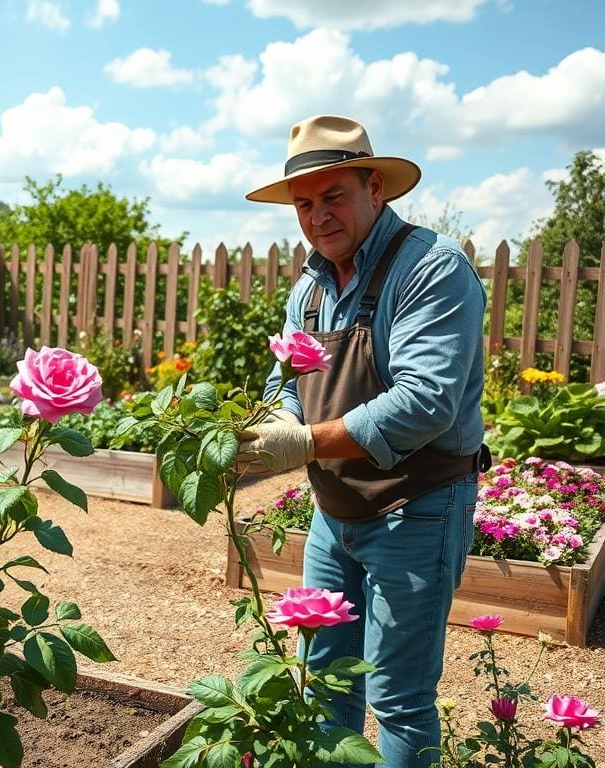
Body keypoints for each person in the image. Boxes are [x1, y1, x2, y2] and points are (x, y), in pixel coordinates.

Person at [238, 114, 489, 768]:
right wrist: (276, 424)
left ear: (375, 187)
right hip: (333, 514)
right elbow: (285, 377)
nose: (317, 216)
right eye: (303, 204)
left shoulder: (431, 269)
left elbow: (426, 402)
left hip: (419, 505)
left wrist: (306, 445)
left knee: (398, 696)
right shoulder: (312, 283)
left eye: (333, 196)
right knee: (323, 680)